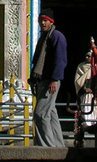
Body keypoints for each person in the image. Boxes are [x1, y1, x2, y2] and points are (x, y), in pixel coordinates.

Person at [30, 8, 67, 147]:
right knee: (50, 114)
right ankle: (58, 146)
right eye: (41, 20)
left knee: (40, 114)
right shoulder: (44, 37)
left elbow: (60, 60)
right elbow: (38, 60)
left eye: (45, 20)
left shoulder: (56, 36)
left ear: (51, 22)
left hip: (51, 81)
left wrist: (54, 79)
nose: (42, 23)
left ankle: (46, 147)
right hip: (43, 80)